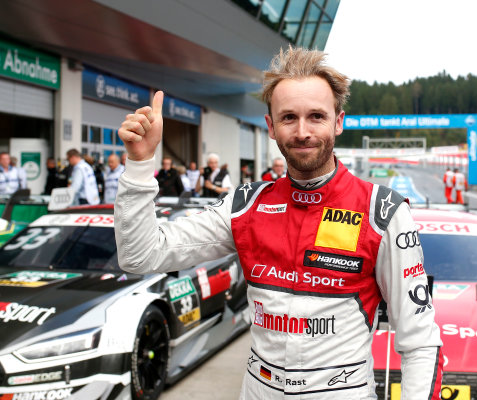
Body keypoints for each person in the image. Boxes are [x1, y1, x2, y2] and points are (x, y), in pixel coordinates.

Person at [115, 47, 442, 399]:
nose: (302, 131)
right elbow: (141, 256)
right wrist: (139, 163)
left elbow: (420, 341)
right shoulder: (245, 206)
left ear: (339, 121)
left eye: (316, 116)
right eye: (289, 118)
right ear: (270, 126)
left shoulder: (383, 213)